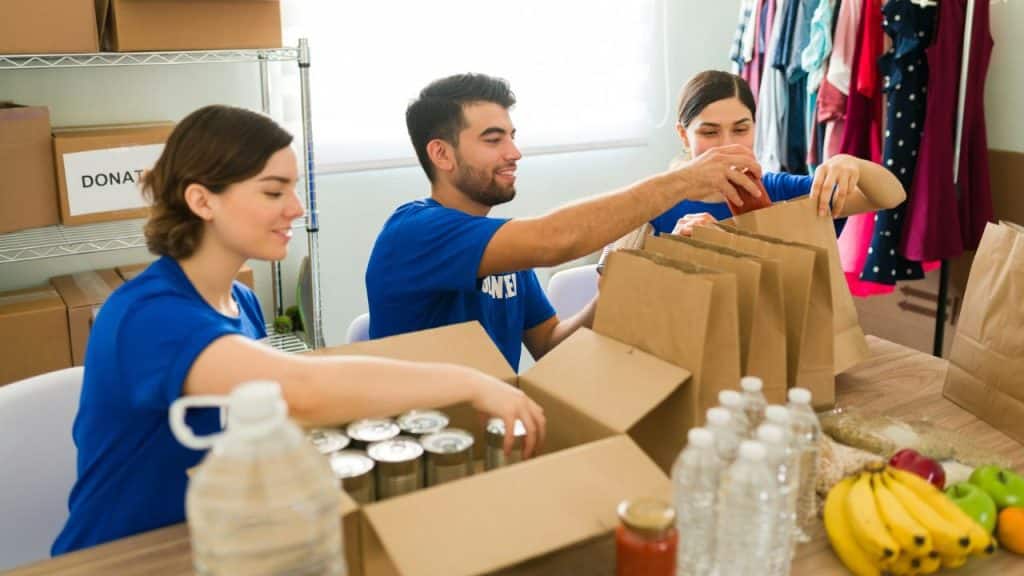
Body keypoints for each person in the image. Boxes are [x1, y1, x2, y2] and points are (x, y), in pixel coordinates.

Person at [52, 105, 547, 556]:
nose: (296, 209)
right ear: (202, 200)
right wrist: (470, 382)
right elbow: (299, 392)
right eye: (273, 191)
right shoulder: (149, 316)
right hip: (127, 556)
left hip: (215, 540)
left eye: (293, 189)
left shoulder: (240, 301)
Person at [366, 73, 765, 371]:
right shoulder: (413, 232)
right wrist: (683, 181)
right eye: (493, 140)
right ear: (441, 154)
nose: (514, 152)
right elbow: (554, 240)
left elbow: (551, 347)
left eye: (512, 136)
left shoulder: (501, 247)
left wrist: (610, 294)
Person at [653, 70, 907, 237]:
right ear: (684, 135)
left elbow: (892, 196)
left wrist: (854, 165)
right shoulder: (656, 203)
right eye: (709, 133)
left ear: (755, 127)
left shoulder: (778, 192)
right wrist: (676, 248)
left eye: (741, 129)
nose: (726, 144)